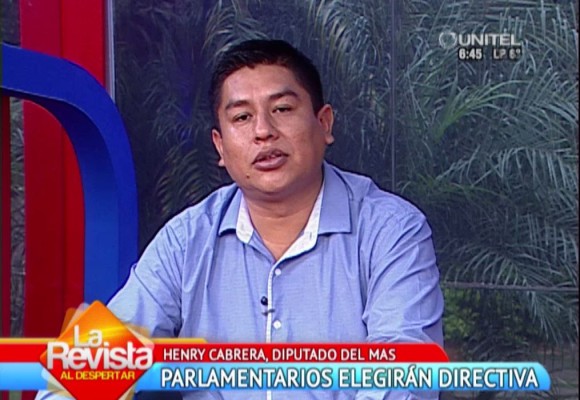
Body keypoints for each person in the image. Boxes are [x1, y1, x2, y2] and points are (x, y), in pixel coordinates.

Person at [40, 39, 444, 400]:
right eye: (241, 118)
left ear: (324, 124)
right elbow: (82, 377)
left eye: (282, 109)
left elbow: (405, 378)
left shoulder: (391, 231)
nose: (263, 131)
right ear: (220, 146)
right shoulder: (186, 240)